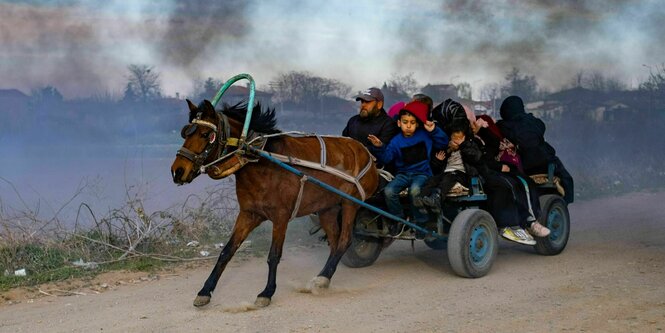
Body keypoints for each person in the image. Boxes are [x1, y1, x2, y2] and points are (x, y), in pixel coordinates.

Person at [367, 101, 448, 234]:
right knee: (389, 191)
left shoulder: (424, 135)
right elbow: (387, 158)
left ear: (417, 124)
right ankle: (399, 219)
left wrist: (433, 130)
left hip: (422, 174)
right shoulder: (396, 141)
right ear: (399, 123)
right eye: (405, 122)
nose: (408, 126)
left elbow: (443, 142)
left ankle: (421, 221)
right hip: (403, 175)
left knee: (415, 190)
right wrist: (379, 146)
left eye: (412, 122)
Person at [474, 114, 550, 243]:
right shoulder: (480, 136)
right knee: (513, 184)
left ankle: (528, 221)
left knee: (519, 182)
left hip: (494, 169)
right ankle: (525, 222)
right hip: (488, 171)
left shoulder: (494, 134)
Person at [497, 96, 574, 204]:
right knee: (565, 176)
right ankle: (565, 202)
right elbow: (542, 127)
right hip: (544, 163)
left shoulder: (502, 126)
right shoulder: (533, 121)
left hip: (521, 166)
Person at [417, 119, 483, 211]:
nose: (456, 140)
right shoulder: (446, 148)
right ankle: (421, 199)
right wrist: (439, 160)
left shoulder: (470, 145)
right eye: (454, 138)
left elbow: (475, 157)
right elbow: (436, 166)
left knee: (449, 178)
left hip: (461, 174)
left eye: (459, 138)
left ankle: (437, 199)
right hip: (446, 173)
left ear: (464, 137)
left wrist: (462, 145)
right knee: (433, 180)